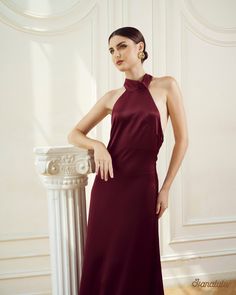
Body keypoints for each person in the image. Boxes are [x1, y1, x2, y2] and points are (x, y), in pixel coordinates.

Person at [68, 26, 188, 295]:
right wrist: (97, 145)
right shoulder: (112, 97)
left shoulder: (166, 85)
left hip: (143, 186)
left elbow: (182, 140)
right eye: (111, 50)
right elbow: (74, 133)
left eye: (122, 46)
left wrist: (165, 188)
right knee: (106, 252)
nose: (116, 54)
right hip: (109, 186)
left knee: (136, 252)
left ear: (140, 49)